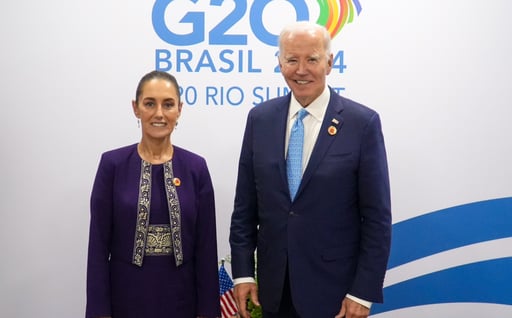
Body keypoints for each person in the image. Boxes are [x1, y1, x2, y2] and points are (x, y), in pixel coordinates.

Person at [229, 21, 392, 318]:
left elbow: (377, 219)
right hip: (273, 292)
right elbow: (244, 209)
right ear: (279, 64)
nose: (301, 70)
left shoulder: (362, 124)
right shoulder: (260, 119)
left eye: (312, 59)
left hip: (336, 295)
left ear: (329, 63)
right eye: (292, 60)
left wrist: (363, 292)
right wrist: (242, 274)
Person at [86, 70, 221, 318]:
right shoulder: (112, 165)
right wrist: (98, 311)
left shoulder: (196, 168)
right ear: (136, 108)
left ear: (179, 109)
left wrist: (207, 311)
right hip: (126, 297)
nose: (159, 113)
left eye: (168, 104)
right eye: (150, 104)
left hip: (182, 298)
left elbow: (205, 248)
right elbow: (97, 247)